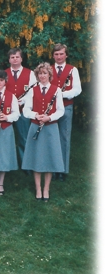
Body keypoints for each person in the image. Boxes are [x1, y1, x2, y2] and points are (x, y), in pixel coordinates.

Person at [21, 62, 65, 201]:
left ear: (49, 75)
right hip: (36, 126)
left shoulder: (57, 90)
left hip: (50, 127)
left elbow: (61, 110)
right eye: (40, 73)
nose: (42, 76)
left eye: (45, 73)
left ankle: (46, 188)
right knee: (37, 157)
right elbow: (26, 110)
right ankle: (38, 188)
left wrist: (49, 117)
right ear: (37, 75)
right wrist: (36, 115)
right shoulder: (33, 90)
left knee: (50, 157)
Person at [51, 43, 82, 181]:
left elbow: (77, 89)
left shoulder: (72, 70)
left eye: (61, 54)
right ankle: (51, 167)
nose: (59, 57)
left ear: (66, 55)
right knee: (51, 137)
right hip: (50, 110)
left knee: (64, 137)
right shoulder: (49, 69)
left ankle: (62, 170)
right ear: (53, 55)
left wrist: (60, 94)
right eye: (56, 54)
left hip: (66, 106)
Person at [5, 48, 37, 170]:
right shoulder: (4, 73)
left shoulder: (30, 74)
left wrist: (22, 101)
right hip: (7, 111)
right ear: (9, 59)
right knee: (6, 138)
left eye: (17, 57)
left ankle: (25, 164)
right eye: (12, 57)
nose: (15, 59)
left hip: (23, 110)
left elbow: (33, 92)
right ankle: (7, 163)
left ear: (21, 59)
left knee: (23, 138)